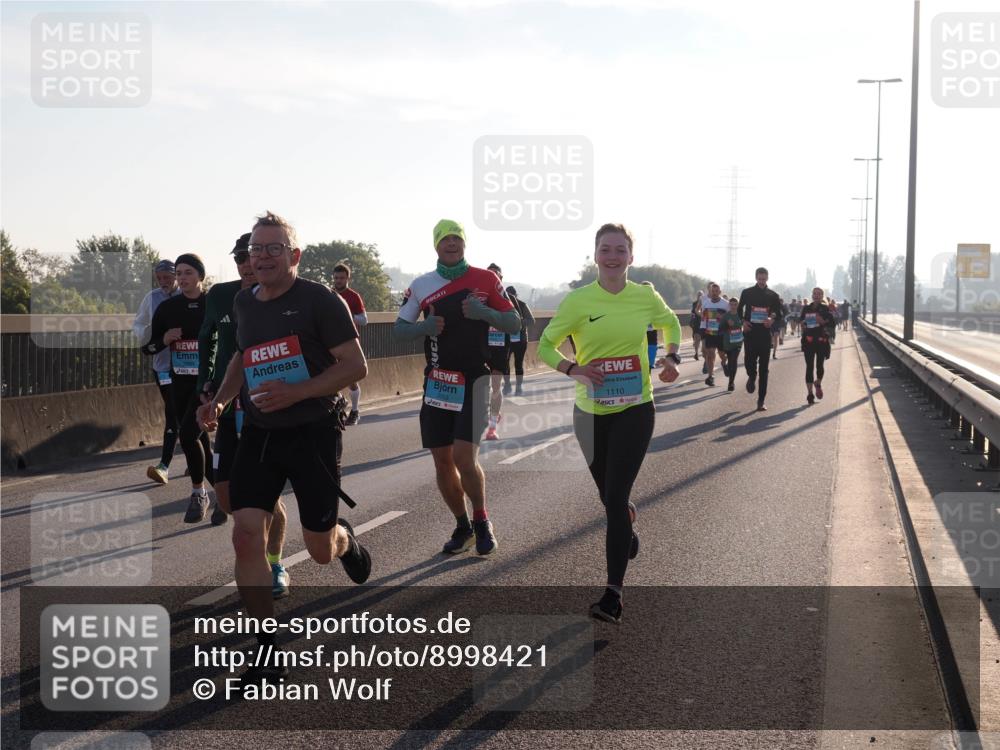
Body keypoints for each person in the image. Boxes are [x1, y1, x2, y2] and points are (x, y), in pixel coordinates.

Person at [198, 211, 372, 683]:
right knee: (245, 532)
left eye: (274, 249)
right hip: (259, 430)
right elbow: (241, 356)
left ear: (294, 256)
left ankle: (344, 539)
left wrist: (298, 391)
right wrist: (219, 400)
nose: (263, 257)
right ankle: (265, 646)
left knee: (318, 549)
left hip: (313, 431)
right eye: (257, 249)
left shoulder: (320, 300)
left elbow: (356, 367)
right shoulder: (245, 302)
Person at [538, 223, 681, 624]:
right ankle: (626, 523)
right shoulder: (578, 301)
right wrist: (573, 368)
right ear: (595, 255)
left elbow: (671, 324)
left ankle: (613, 595)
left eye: (620, 250)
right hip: (590, 412)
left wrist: (671, 358)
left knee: (615, 498)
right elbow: (546, 345)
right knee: (610, 499)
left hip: (636, 409)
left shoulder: (645, 296)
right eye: (606, 249)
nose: (613, 256)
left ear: (631, 257)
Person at [391, 220, 520, 555]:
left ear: (464, 244)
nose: (452, 244)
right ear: (436, 245)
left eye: (457, 238)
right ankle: (462, 525)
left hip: (475, 379)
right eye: (445, 239)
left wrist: (483, 311)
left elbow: (514, 322)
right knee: (443, 463)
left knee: (464, 457)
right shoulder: (421, 285)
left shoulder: (485, 279)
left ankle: (481, 520)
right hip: (437, 383)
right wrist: (425, 327)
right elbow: (399, 329)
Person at [197, 233, 291, 597]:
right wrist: (207, 384)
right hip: (228, 402)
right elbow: (208, 337)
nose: (246, 265)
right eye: (240, 259)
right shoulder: (222, 296)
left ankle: (275, 563)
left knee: (265, 497)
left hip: (268, 406)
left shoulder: (285, 298)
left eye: (250, 258)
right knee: (227, 498)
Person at [143, 253, 215, 521]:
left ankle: (199, 494)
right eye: (180, 273)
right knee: (201, 444)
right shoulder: (168, 309)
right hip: (180, 384)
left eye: (188, 273)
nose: (182, 278)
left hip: (207, 386)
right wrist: (164, 338)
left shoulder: (214, 304)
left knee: (187, 436)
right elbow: (147, 348)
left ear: (200, 276)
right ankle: (223, 493)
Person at [133, 260, 181, 485]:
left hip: (188, 366)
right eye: (159, 278)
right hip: (162, 366)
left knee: (182, 414)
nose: (163, 282)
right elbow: (138, 324)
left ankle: (166, 465)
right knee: (173, 411)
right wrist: (149, 333)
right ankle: (166, 465)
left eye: (167, 277)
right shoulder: (151, 298)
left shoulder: (187, 295)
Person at [737, 267, 782, 412]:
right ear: (756, 277)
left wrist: (771, 318)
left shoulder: (773, 295)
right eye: (759, 279)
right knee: (749, 362)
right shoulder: (747, 292)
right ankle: (751, 375)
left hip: (764, 335)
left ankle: (761, 401)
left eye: (764, 279)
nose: (762, 281)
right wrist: (743, 321)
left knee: (764, 369)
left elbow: (778, 314)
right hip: (750, 333)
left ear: (767, 278)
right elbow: (738, 310)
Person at [332, 263, 368, 426]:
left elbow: (364, 320)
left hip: (349, 342)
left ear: (347, 278)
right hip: (330, 342)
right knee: (329, 376)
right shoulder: (328, 294)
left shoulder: (353, 296)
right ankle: (337, 406)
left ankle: (354, 410)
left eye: (341, 278)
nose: (338, 281)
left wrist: (347, 316)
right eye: (336, 278)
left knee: (350, 379)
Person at [482, 263, 509, 439]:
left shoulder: (506, 299)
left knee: (496, 387)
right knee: (481, 387)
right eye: (490, 274)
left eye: (496, 275)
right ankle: (489, 414)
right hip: (481, 347)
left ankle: (492, 427)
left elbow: (516, 323)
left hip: (499, 347)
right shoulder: (478, 298)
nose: (493, 278)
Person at [800, 288, 836, 404]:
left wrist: (823, 322)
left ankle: (818, 383)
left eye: (819, 294)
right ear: (812, 295)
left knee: (820, 365)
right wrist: (803, 324)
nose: (816, 296)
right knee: (809, 366)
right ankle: (810, 393)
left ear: (822, 296)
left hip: (821, 341)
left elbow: (832, 324)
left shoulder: (826, 309)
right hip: (809, 341)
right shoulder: (806, 308)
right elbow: (801, 321)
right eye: (815, 294)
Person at [504, 285, 535, 396]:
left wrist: (519, 322)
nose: (510, 298)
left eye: (512, 296)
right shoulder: (501, 306)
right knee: (504, 363)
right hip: (506, 339)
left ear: (516, 296)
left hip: (520, 339)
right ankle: (507, 385)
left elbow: (531, 321)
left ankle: (518, 386)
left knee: (518, 363)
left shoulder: (522, 305)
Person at [697, 282, 728, 387]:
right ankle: (711, 376)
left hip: (721, 333)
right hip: (709, 331)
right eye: (712, 291)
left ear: (720, 292)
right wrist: (704, 326)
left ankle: (724, 363)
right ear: (710, 292)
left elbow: (729, 317)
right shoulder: (706, 303)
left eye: (716, 291)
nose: (714, 293)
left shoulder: (725, 304)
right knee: (710, 354)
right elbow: (703, 316)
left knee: (722, 354)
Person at [719, 296, 744, 391]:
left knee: (734, 361)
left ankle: (731, 382)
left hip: (738, 342)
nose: (733, 306)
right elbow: (720, 329)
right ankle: (725, 366)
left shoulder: (742, 315)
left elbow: (746, 325)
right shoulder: (726, 316)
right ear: (729, 305)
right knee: (730, 361)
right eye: (731, 304)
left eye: (735, 304)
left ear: (738, 305)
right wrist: (726, 325)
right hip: (728, 342)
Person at [689, 294, 703, 361]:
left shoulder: (705, 302)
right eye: (699, 295)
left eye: (701, 295)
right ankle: (696, 353)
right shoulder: (694, 303)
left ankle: (703, 351)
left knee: (701, 338)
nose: (700, 296)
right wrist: (692, 321)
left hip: (703, 322)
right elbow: (692, 313)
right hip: (696, 323)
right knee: (696, 338)